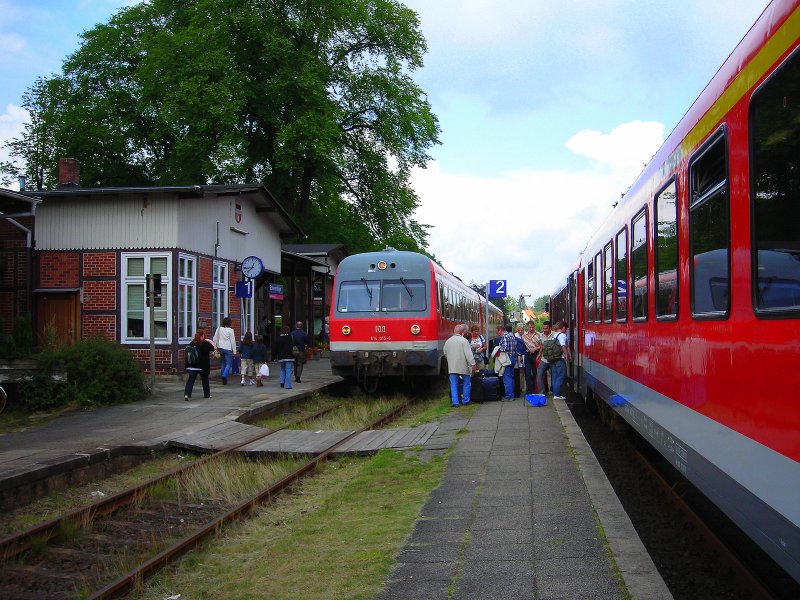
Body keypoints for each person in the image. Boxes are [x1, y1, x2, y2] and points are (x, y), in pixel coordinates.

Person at [442, 324, 476, 407]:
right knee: (467, 382)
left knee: (453, 384)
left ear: (454, 331)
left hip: (452, 367)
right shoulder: (464, 341)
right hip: (463, 366)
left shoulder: (448, 341)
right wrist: (473, 363)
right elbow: (468, 354)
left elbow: (445, 353)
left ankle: (455, 402)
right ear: (462, 332)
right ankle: (465, 400)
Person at [537, 320, 567, 399]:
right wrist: (539, 354)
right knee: (539, 374)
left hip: (553, 359)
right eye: (543, 328)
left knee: (554, 375)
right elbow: (541, 346)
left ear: (550, 328)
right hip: (544, 358)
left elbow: (563, 344)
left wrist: (566, 353)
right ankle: (542, 393)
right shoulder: (541, 335)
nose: (544, 330)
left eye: (546, 328)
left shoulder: (555, 334)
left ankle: (555, 392)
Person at [184, 331, 215, 401]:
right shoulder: (205, 343)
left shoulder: (191, 344)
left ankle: (187, 394)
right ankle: (207, 394)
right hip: (202, 366)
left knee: (190, 380)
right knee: (205, 380)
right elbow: (212, 348)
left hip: (191, 366)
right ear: (202, 336)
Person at [495, 324, 517, 401]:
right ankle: (512, 394)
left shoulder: (505, 336)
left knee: (506, 377)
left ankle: (509, 396)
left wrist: (497, 349)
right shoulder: (512, 336)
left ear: (500, 330)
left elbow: (504, 348)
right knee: (511, 377)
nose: (497, 333)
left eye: (497, 332)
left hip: (507, 358)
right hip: (513, 357)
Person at [213, 316, 237, 384]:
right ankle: (224, 375)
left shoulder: (219, 329)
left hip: (220, 347)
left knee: (223, 363)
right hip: (228, 348)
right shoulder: (230, 330)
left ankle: (224, 379)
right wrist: (234, 351)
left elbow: (215, 338)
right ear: (229, 323)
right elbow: (233, 341)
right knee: (228, 364)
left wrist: (216, 346)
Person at [522, 321, 542, 393]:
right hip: (527, 355)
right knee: (527, 372)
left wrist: (535, 349)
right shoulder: (524, 336)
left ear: (534, 326)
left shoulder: (539, 335)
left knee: (535, 372)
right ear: (527, 327)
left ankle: (535, 389)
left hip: (536, 354)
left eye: (532, 327)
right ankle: (529, 390)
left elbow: (541, 346)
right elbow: (523, 346)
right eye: (530, 327)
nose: (531, 329)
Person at [514, 323, 526, 397]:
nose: (521, 331)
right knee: (520, 372)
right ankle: (520, 387)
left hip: (525, 355)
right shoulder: (515, 336)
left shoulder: (525, 335)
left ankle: (524, 386)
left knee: (525, 372)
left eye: (522, 330)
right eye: (519, 330)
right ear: (517, 330)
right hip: (518, 356)